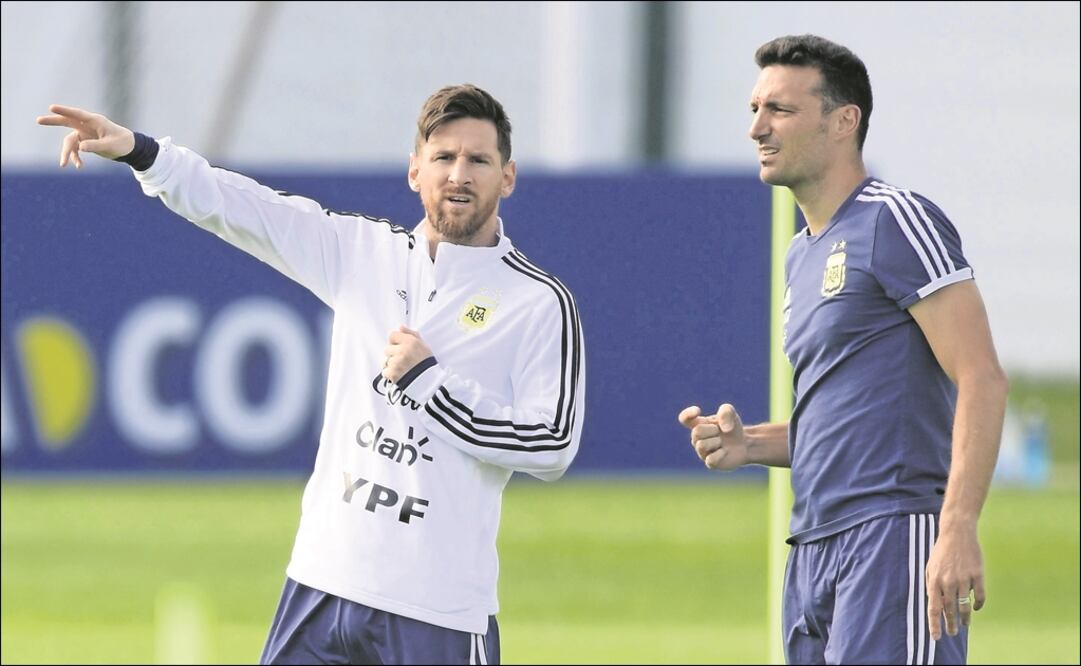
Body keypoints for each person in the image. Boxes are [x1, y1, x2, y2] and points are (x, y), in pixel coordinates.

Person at [38, 83, 586, 665]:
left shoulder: (538, 301)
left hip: (438, 607)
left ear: (508, 177)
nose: (459, 174)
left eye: (479, 159)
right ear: (414, 172)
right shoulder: (362, 251)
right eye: (443, 157)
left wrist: (431, 387)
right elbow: (244, 208)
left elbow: (551, 444)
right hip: (323, 582)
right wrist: (141, 152)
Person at [678, 35, 1007, 664]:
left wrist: (957, 526)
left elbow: (982, 378)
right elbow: (846, 420)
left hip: (892, 537)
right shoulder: (800, 254)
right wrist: (750, 446)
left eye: (779, 109)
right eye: (754, 109)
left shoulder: (896, 219)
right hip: (814, 549)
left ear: (842, 120)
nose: (756, 128)